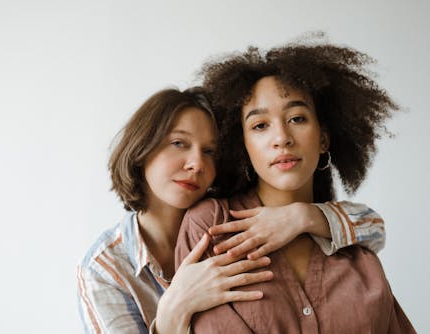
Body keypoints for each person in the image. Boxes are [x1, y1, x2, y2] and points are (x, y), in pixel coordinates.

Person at [77, 86, 387, 334]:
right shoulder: (105, 269)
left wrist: (301, 216)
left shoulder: (233, 219)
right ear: (141, 150)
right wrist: (174, 312)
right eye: (178, 143)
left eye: (210, 151)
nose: (196, 163)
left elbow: (374, 228)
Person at [175, 42, 415, 333]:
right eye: (260, 125)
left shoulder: (357, 249)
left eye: (297, 118)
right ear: (243, 145)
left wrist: (302, 217)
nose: (282, 138)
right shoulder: (212, 225)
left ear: (323, 138)